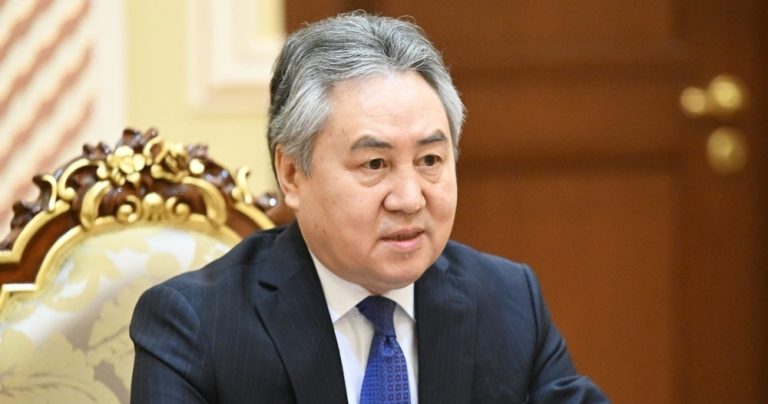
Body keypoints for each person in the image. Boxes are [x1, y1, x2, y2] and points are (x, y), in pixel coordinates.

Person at [129, 12, 609, 404]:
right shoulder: (196, 325)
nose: (409, 198)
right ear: (292, 174)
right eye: (375, 164)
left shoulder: (508, 301)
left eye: (430, 160)